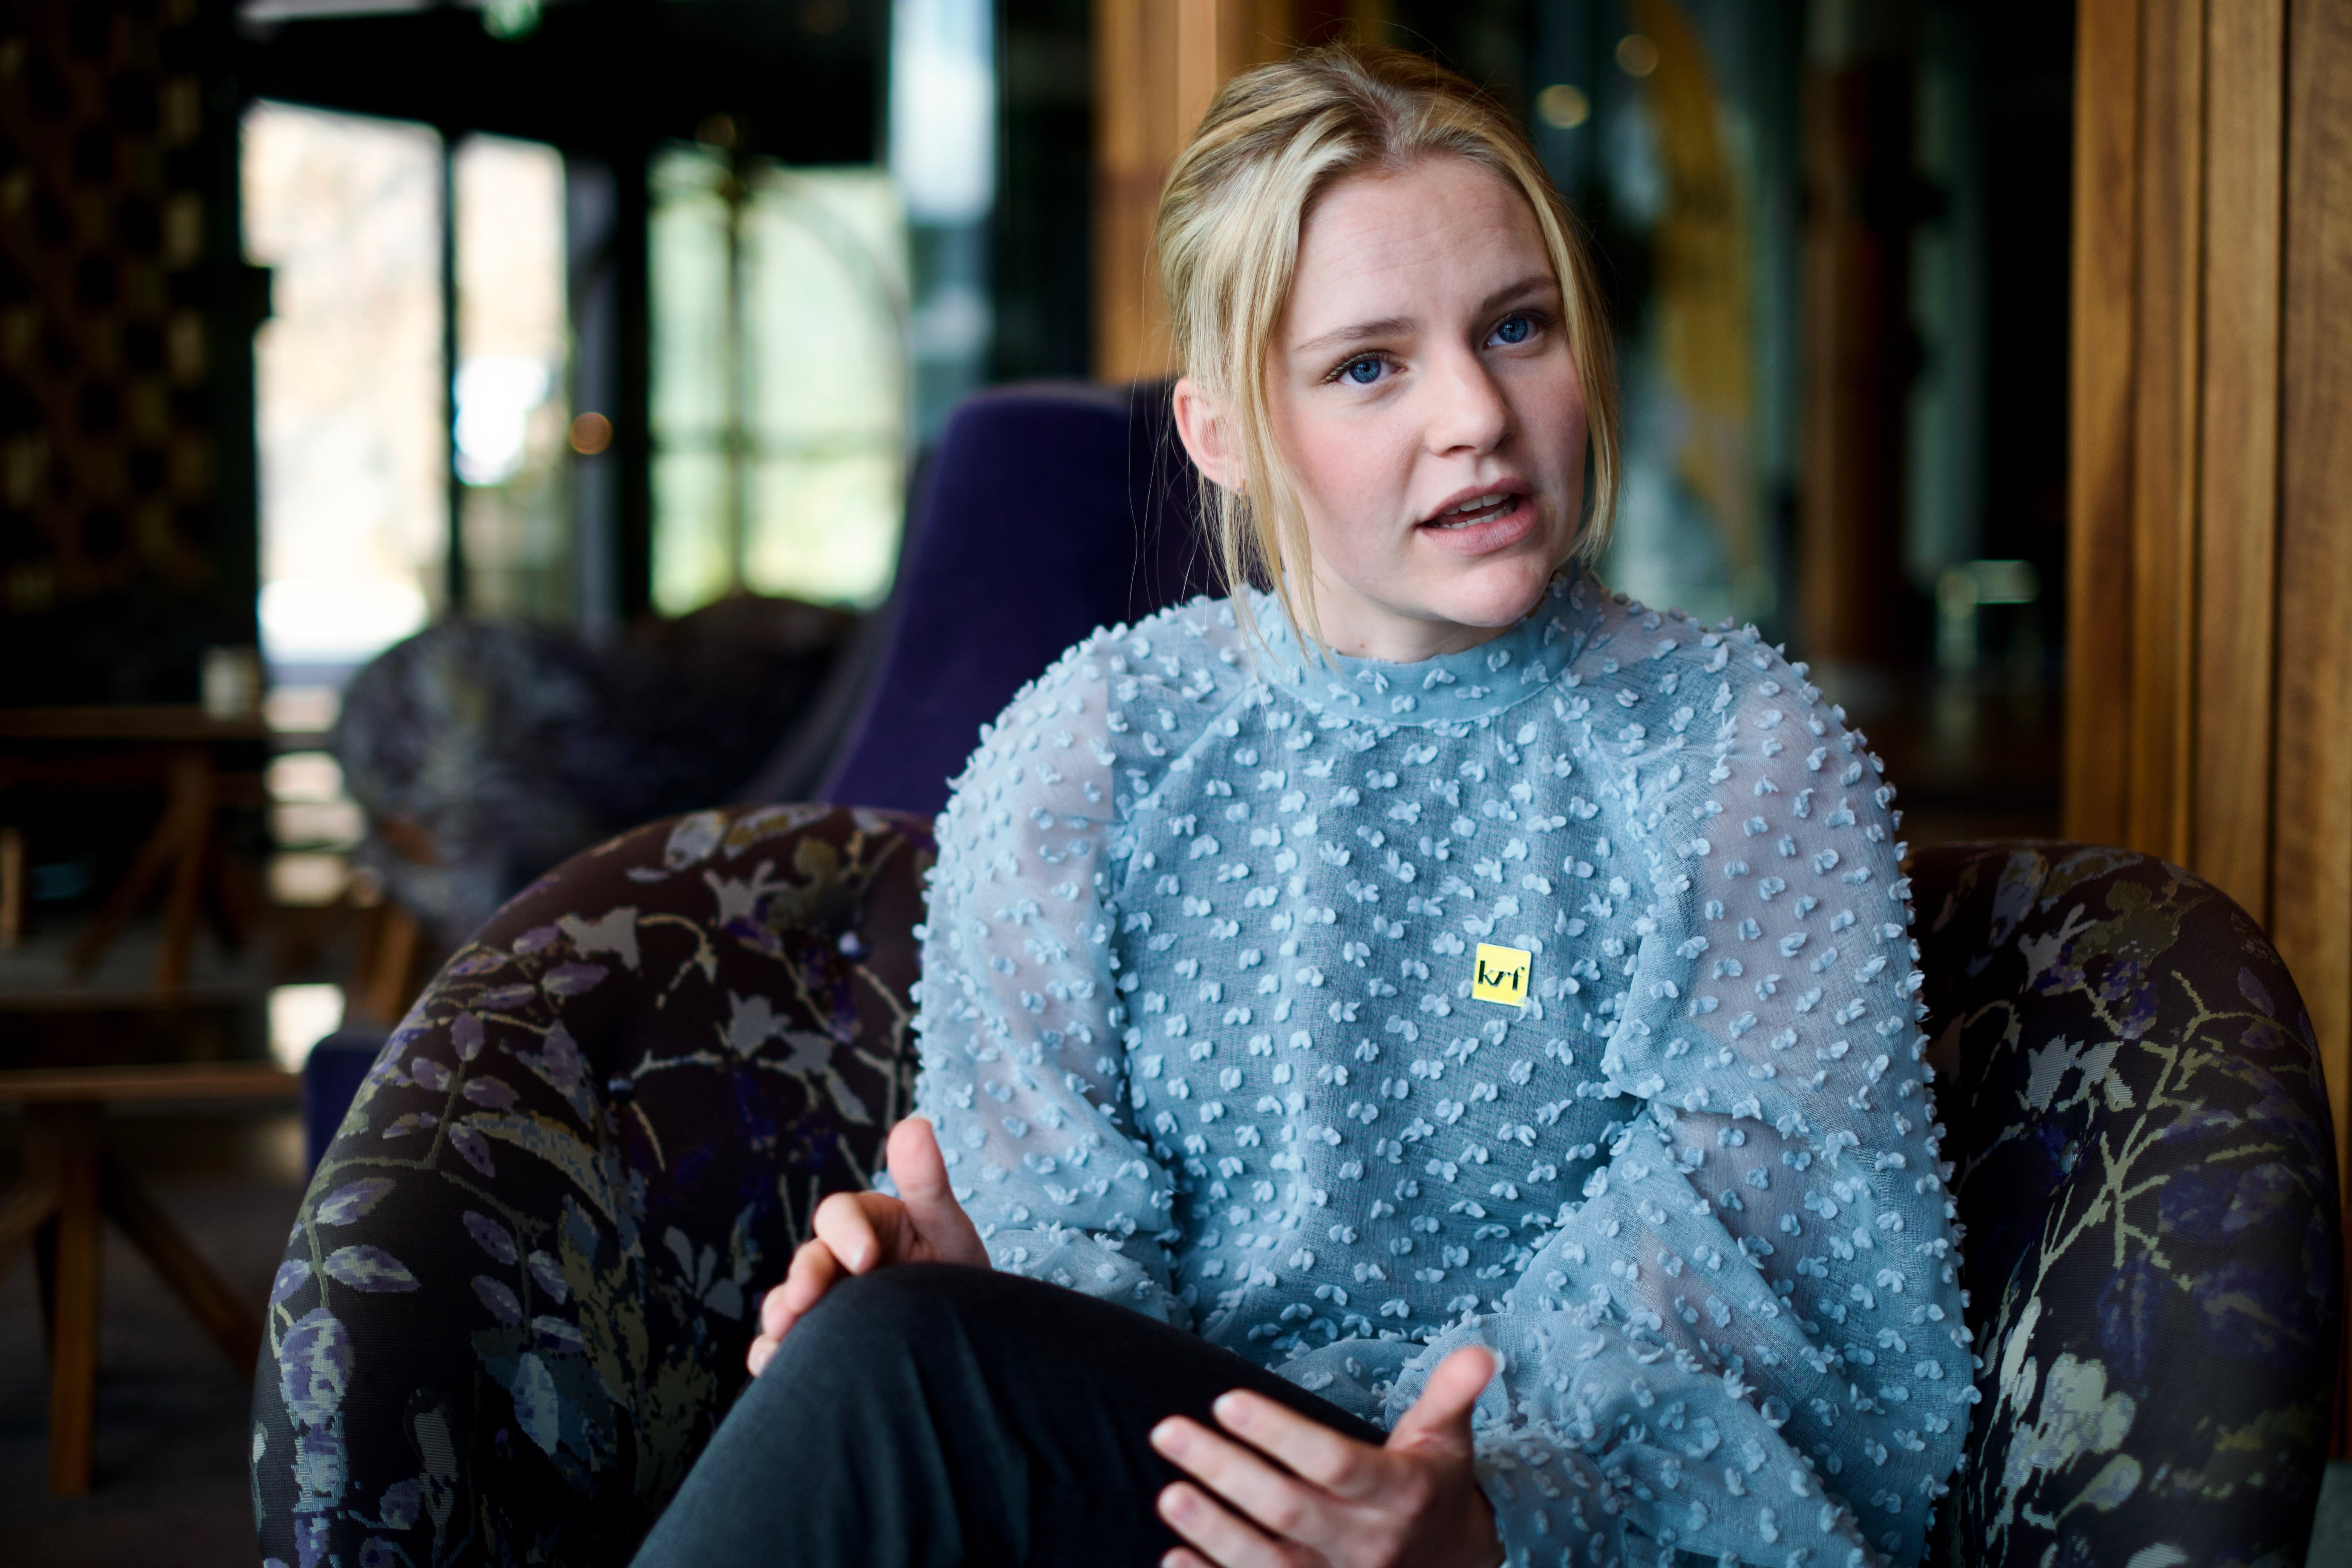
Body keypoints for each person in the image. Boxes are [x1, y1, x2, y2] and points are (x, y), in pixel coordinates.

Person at [632, 41, 1972, 1568]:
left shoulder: (1737, 752)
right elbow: (1064, 1248)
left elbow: (1774, 1307)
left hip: (1520, 1531)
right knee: (883, 1350)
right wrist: (979, 1284)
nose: (1475, 413)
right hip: (1157, 1494)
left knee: (893, 1378)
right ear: (1224, 435)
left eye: (1517, 326)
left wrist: (1489, 1513)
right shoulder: (1092, 746)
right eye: (1368, 366)